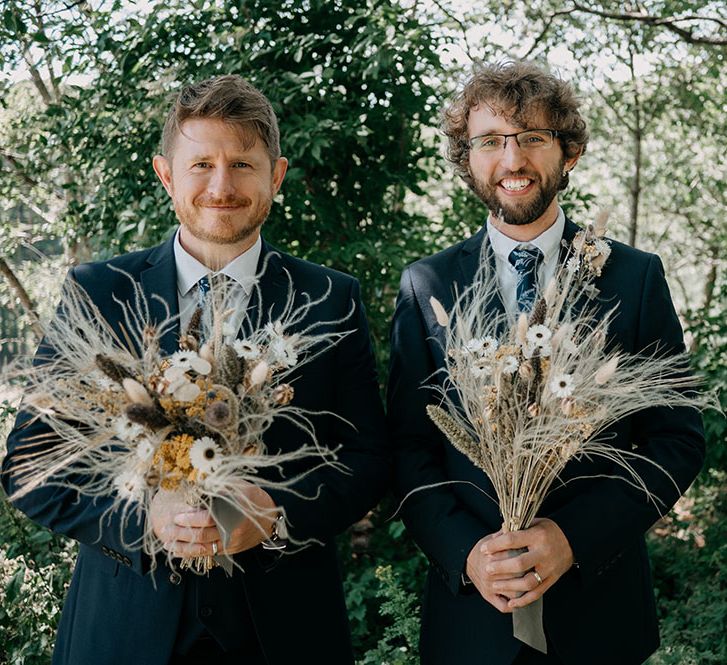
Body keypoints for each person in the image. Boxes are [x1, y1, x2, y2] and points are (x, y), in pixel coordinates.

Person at [2, 75, 388, 665]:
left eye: (242, 164)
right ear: (166, 175)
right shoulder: (100, 294)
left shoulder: (331, 299)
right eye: (201, 163)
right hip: (125, 630)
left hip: (284, 631)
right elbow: (31, 463)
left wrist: (278, 516)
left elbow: (366, 460)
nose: (221, 185)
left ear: (276, 176)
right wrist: (143, 515)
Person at [387, 60, 704, 665]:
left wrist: (572, 539)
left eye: (533, 137)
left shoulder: (635, 279)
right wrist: (465, 553)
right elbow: (407, 447)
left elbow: (677, 441)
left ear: (570, 152)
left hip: (601, 616)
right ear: (467, 158)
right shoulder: (426, 284)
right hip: (469, 625)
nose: (512, 160)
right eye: (490, 142)